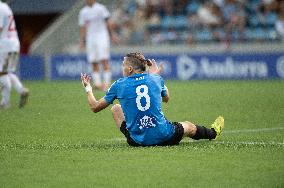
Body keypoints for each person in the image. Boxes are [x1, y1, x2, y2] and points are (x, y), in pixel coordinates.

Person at [81, 52, 224, 146]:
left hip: (137, 141)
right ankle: (213, 133)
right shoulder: (155, 79)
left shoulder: (119, 84)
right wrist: (156, 76)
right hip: (164, 136)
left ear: (130, 69)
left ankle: (134, 133)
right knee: (189, 126)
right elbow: (167, 98)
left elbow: (94, 107)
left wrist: (88, 88)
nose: (122, 68)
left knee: (115, 108)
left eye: (123, 65)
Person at [79, 0, 118, 91]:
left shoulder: (101, 8)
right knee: (93, 61)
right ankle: (97, 83)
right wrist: (82, 40)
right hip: (90, 37)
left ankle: (107, 83)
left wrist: (112, 35)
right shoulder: (83, 11)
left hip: (102, 36)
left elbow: (108, 22)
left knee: (104, 59)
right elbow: (82, 27)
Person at [0, 0, 29, 109]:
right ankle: (21, 90)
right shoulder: (6, 7)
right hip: (14, 42)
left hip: (4, 43)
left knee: (2, 73)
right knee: (6, 71)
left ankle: (5, 102)